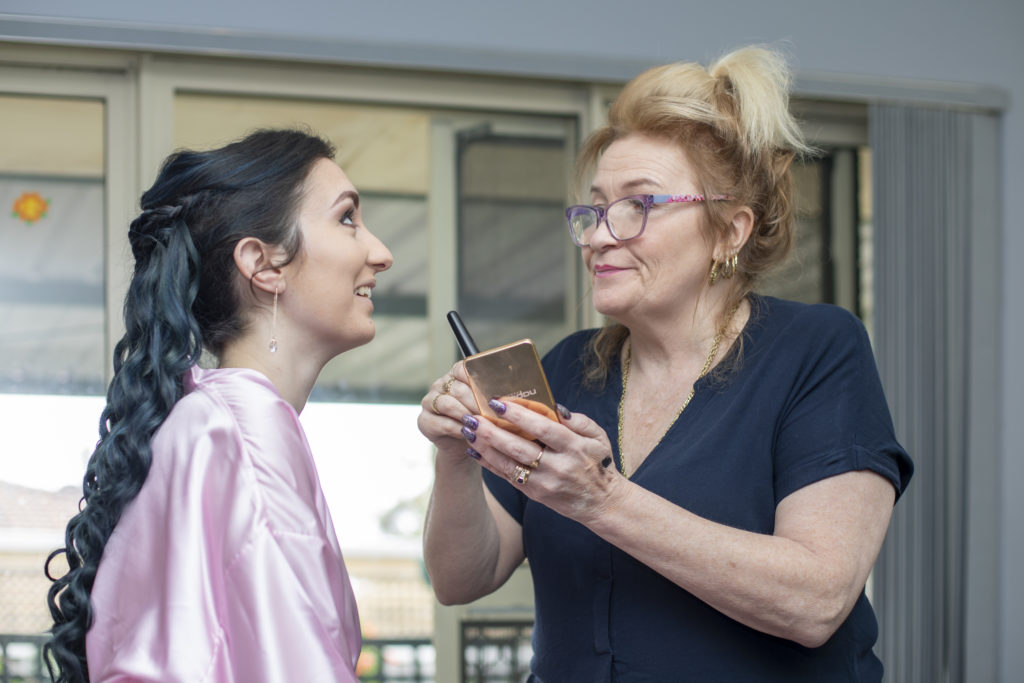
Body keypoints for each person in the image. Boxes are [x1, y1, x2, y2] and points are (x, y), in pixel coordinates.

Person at [418, 45, 913, 682]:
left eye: (638, 205)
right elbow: (462, 579)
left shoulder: (815, 350)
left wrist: (600, 499)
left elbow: (816, 602)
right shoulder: (568, 368)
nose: (598, 234)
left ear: (730, 230)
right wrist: (457, 455)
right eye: (595, 208)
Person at [44, 129, 393, 682]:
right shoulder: (242, 435)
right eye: (347, 217)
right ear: (263, 264)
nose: (381, 253)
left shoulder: (210, 420)